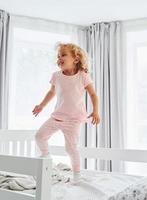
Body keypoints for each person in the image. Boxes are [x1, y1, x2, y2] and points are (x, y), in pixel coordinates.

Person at [32, 42, 100, 183]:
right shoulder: (56, 76)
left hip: (74, 120)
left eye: (63, 55)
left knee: (71, 149)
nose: (59, 58)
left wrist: (96, 111)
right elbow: (52, 92)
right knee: (39, 136)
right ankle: (46, 157)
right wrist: (41, 106)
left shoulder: (82, 76)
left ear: (75, 59)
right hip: (57, 117)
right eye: (58, 56)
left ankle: (77, 175)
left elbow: (93, 94)